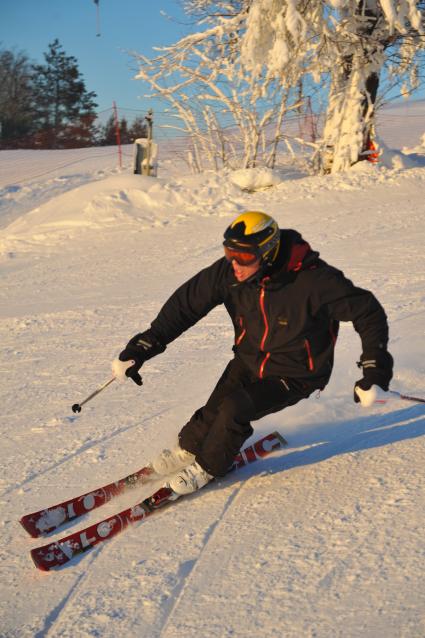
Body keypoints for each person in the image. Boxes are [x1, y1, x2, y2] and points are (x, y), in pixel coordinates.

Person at [116, 211, 393, 496]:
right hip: (249, 359)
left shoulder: (315, 282)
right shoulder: (230, 273)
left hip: (297, 372)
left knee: (236, 409)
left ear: (269, 251)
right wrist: (144, 345)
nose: (235, 264)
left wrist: (374, 369)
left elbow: (367, 312)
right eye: (229, 253)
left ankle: (207, 467)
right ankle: (188, 449)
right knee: (215, 408)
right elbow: (186, 306)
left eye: (245, 256)